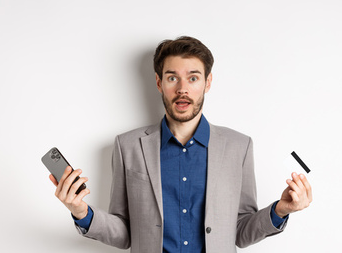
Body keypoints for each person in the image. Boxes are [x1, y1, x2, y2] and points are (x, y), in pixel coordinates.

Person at [49, 36, 312, 253]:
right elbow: (124, 233)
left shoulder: (239, 147)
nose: (182, 88)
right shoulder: (127, 146)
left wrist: (280, 210)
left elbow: (241, 232)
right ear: (159, 82)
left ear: (207, 83)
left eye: (193, 78)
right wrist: (81, 211)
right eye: (172, 77)